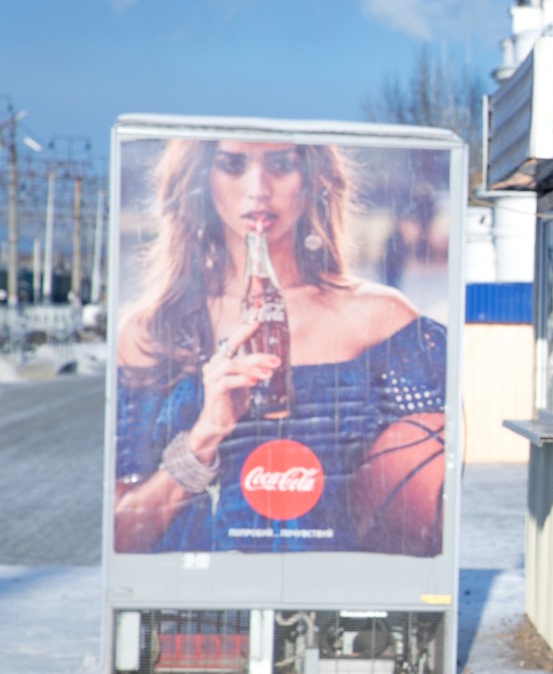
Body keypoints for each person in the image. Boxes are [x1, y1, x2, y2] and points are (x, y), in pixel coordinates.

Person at [112, 139, 447, 556]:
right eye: (232, 165)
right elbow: (122, 537)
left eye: (281, 165)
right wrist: (205, 435)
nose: (258, 188)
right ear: (200, 181)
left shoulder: (383, 320)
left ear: (314, 179)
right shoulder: (154, 333)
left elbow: (429, 490)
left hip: (342, 601)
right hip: (201, 606)